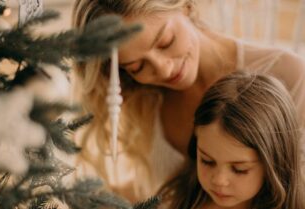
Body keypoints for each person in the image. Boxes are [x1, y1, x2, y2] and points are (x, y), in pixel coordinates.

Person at [71, 0, 305, 201]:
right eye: (137, 66)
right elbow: (160, 190)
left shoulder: (288, 75)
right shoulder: (145, 98)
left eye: (166, 41)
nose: (163, 69)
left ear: (185, 6)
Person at [158, 71, 305, 209]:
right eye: (207, 161)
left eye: (239, 170)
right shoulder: (177, 198)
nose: (219, 181)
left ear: (274, 164)